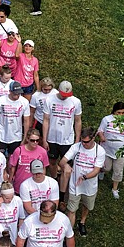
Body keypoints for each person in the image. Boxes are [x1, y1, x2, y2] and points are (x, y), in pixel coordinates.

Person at [42, 80, 82, 208]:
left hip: (68, 140)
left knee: (67, 168)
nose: (65, 97)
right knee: (52, 162)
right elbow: (46, 120)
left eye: (68, 95)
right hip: (52, 138)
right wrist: (44, 139)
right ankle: (54, 182)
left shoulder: (75, 102)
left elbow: (78, 121)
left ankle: (62, 194)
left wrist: (77, 140)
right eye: (64, 94)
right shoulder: (50, 100)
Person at [59, 127, 106, 237]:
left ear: (93, 138)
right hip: (75, 186)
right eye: (82, 141)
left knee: (87, 206)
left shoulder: (99, 151)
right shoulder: (76, 147)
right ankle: (69, 234)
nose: (83, 144)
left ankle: (82, 221)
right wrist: (65, 165)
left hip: (90, 186)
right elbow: (62, 161)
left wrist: (84, 177)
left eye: (86, 142)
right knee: (71, 210)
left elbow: (96, 170)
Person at [97, 101, 124, 199]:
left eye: (123, 113)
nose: (121, 115)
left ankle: (115, 189)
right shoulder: (107, 119)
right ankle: (102, 171)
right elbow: (100, 131)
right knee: (106, 167)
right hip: (107, 149)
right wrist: (101, 136)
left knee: (118, 171)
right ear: (114, 111)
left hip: (121, 151)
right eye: (119, 112)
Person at [0, 80, 30, 157]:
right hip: (1, 135)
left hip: (16, 136)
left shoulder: (24, 102)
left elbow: (26, 120)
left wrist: (25, 138)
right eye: (15, 93)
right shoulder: (1, 100)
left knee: (13, 158)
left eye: (19, 93)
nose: (17, 95)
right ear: (10, 91)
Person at [8, 128, 49, 195]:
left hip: (35, 185)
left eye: (37, 140)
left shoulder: (43, 152)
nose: (35, 142)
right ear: (27, 139)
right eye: (32, 140)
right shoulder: (19, 150)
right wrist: (10, 183)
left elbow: (44, 169)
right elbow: (13, 168)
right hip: (19, 183)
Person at [0, 182, 25, 247]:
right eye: (7, 198)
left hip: (13, 236)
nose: (10, 200)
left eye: (12, 197)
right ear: (1, 195)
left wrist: (19, 235)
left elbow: (21, 218)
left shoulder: (17, 200)